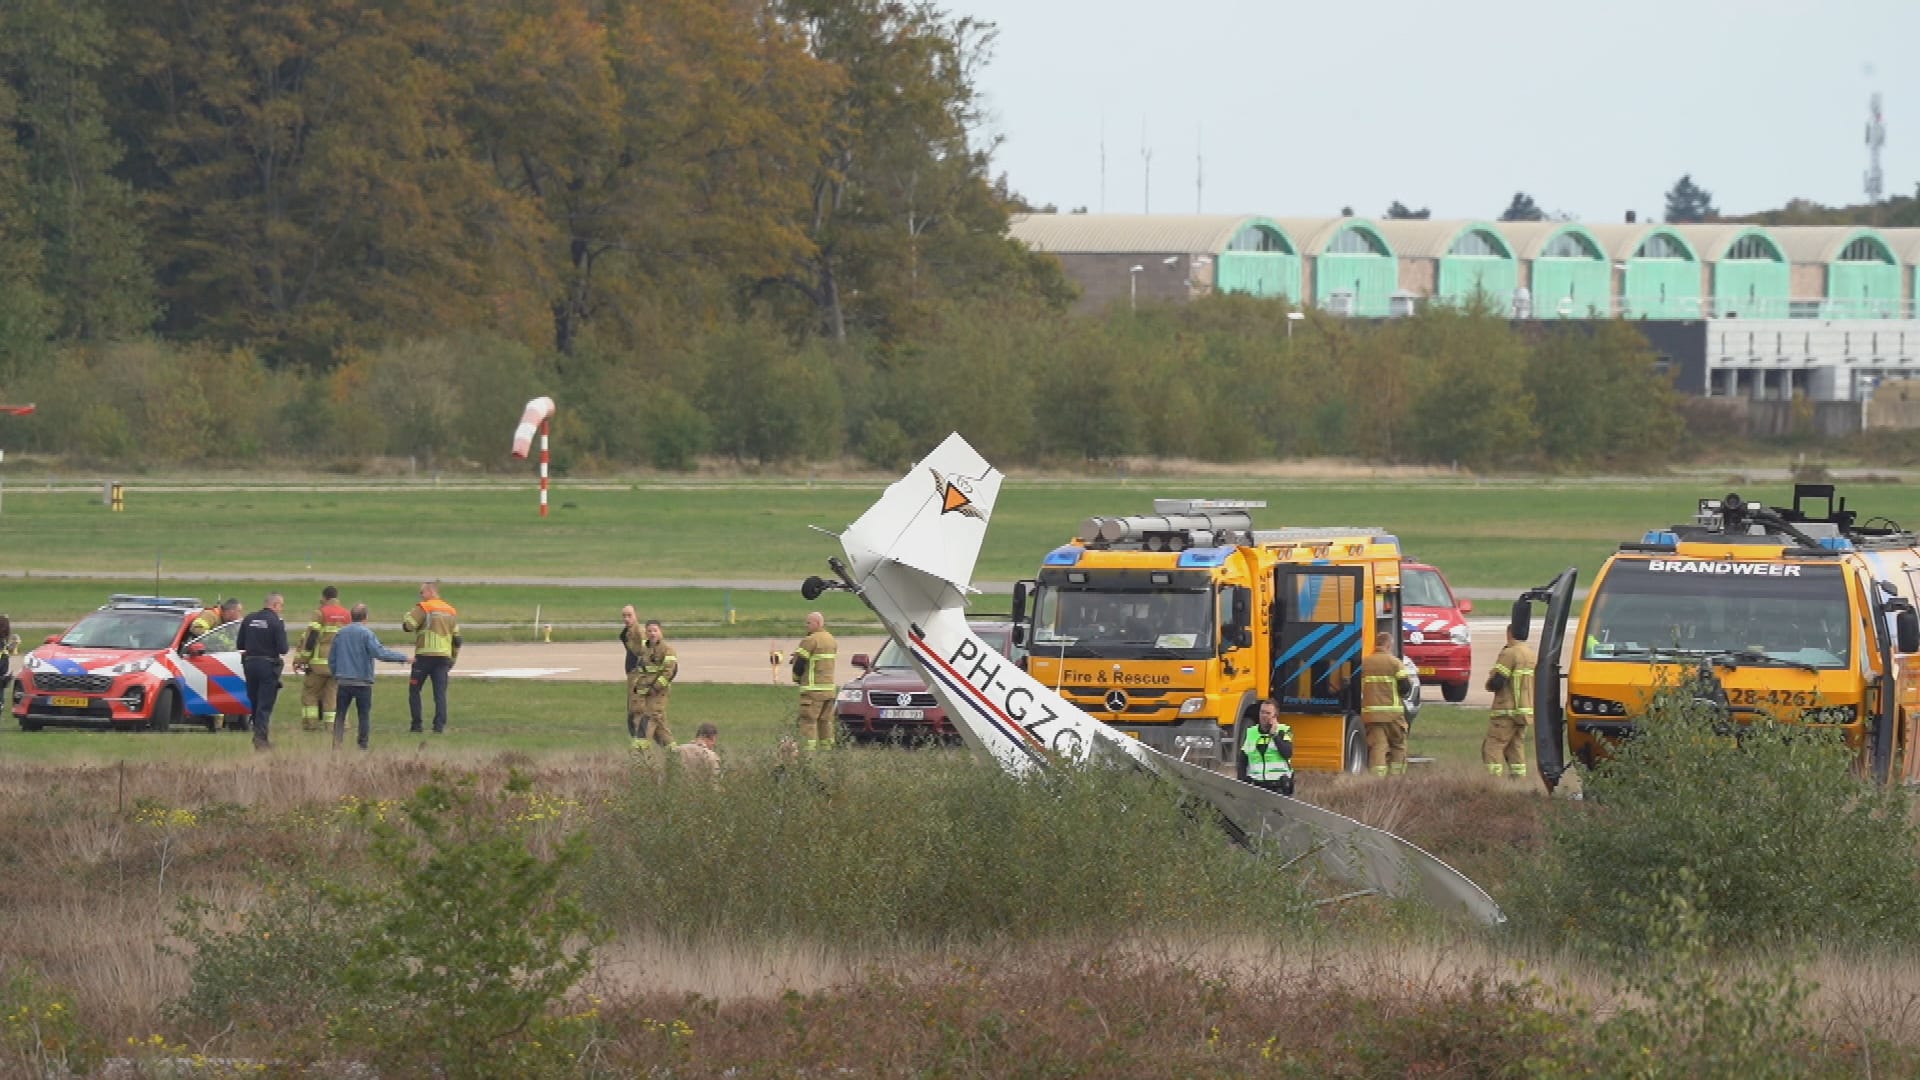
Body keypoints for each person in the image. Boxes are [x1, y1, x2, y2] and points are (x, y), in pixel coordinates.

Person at [327, 603, 411, 751]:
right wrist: (402, 658)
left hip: (344, 681)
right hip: (362, 682)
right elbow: (380, 653)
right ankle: (362, 745)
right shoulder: (366, 634)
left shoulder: (340, 633)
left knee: (340, 714)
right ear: (365, 618)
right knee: (363, 716)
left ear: (351, 617)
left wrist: (337, 674)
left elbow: (332, 658)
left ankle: (337, 744)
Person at [1336, 630, 1412, 777]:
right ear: (1389, 645)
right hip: (1393, 716)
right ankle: (1396, 779)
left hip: (1371, 716)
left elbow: (1351, 686)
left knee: (1378, 747)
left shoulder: (1364, 663)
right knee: (1398, 745)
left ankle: (1376, 781)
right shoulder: (1395, 663)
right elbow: (1405, 688)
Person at [401, 582, 461, 734]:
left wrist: (407, 614)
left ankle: (417, 725)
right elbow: (457, 640)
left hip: (424, 657)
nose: (420, 595)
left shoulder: (424, 607)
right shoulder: (451, 611)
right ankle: (439, 726)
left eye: (422, 592)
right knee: (440, 694)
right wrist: (453, 659)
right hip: (443, 659)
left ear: (430, 592)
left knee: (414, 690)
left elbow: (408, 626)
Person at [293, 586, 352, 732]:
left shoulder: (320, 613)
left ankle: (311, 725)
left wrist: (302, 659)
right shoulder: (346, 614)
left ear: (324, 597)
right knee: (332, 695)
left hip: (319, 664)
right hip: (338, 664)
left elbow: (311, 637)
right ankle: (334, 726)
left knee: (310, 693)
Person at [236, 593, 289, 751]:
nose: (281, 609)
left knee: (255, 701)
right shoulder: (276, 622)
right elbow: (283, 649)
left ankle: (257, 733)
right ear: (275, 605)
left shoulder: (249, 619)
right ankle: (261, 740)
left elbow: (240, 644)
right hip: (267, 666)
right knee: (265, 705)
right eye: (281, 606)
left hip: (250, 665)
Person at [1483, 627, 1537, 779]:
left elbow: (1498, 681)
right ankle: (1519, 782)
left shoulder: (1510, 653)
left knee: (1493, 746)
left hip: (1506, 711)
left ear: (1509, 634)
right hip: (1524, 711)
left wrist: (1489, 684)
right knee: (1516, 747)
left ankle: (1492, 782)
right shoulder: (1531, 654)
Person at [625, 616, 678, 748]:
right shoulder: (645, 649)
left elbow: (669, 672)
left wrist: (655, 688)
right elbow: (634, 642)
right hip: (644, 695)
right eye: (649, 631)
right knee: (660, 728)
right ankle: (673, 754)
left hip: (658, 695)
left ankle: (640, 752)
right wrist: (633, 625)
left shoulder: (667, 650)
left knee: (647, 720)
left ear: (661, 631)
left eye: (655, 630)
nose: (652, 633)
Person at [790, 611, 838, 750]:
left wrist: (797, 678)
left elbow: (800, 664)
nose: (806, 626)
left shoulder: (810, 640)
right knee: (826, 722)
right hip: (829, 691)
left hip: (812, 690)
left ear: (817, 623)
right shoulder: (831, 639)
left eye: (809, 623)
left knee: (808, 722)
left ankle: (807, 754)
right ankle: (827, 751)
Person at [1241, 700, 1295, 796]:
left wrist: (1274, 735)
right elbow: (1243, 760)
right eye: (1262, 712)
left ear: (1275, 716)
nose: (1264, 716)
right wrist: (1242, 784)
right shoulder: (1251, 732)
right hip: (1256, 785)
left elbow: (1287, 753)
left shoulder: (1283, 730)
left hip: (1278, 787)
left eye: (1268, 713)